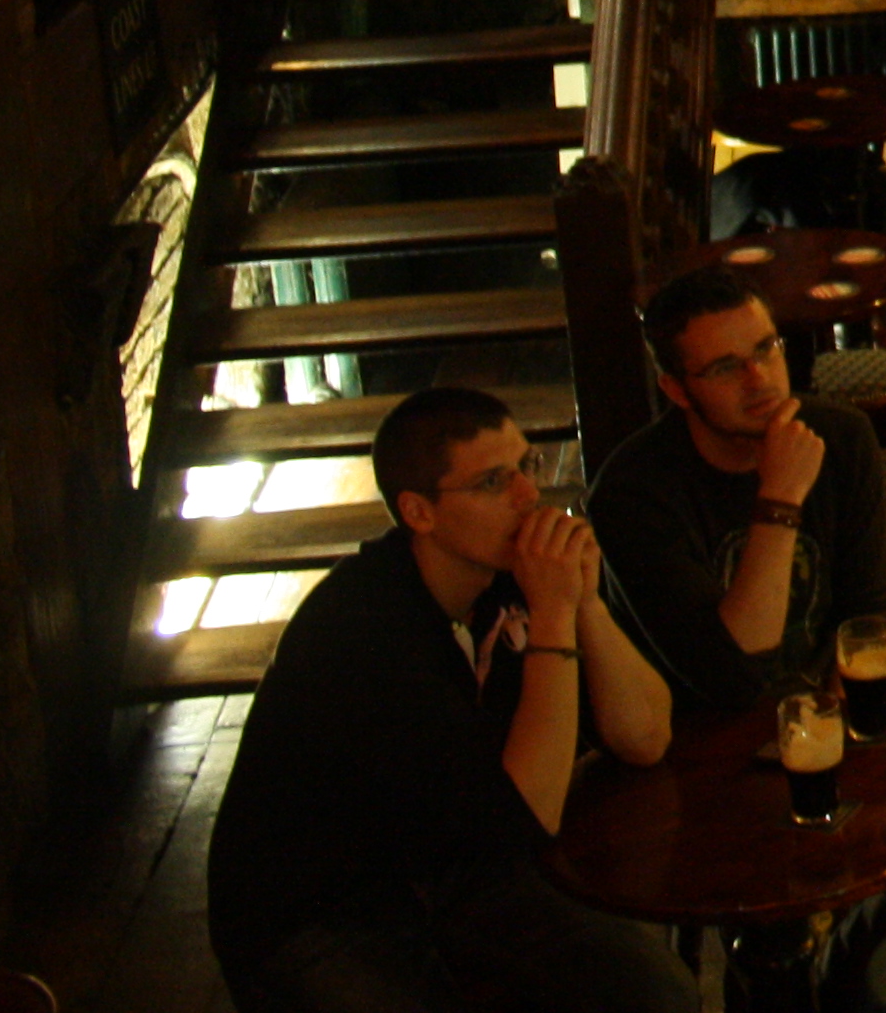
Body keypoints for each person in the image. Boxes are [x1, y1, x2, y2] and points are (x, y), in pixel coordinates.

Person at [207, 388, 682, 1013]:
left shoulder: (510, 574)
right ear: (419, 512)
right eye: (492, 482)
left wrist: (585, 603)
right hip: (320, 911)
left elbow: (645, 737)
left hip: (454, 868)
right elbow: (526, 818)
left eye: (527, 466)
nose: (529, 496)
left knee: (655, 991)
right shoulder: (360, 630)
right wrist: (554, 614)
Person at [588, 268, 886, 716]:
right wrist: (781, 499)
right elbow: (732, 679)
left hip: (829, 706)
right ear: (677, 390)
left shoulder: (841, 435)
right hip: (699, 733)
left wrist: (837, 725)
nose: (758, 379)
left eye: (765, 349)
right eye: (724, 367)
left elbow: (872, 611)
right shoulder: (630, 495)